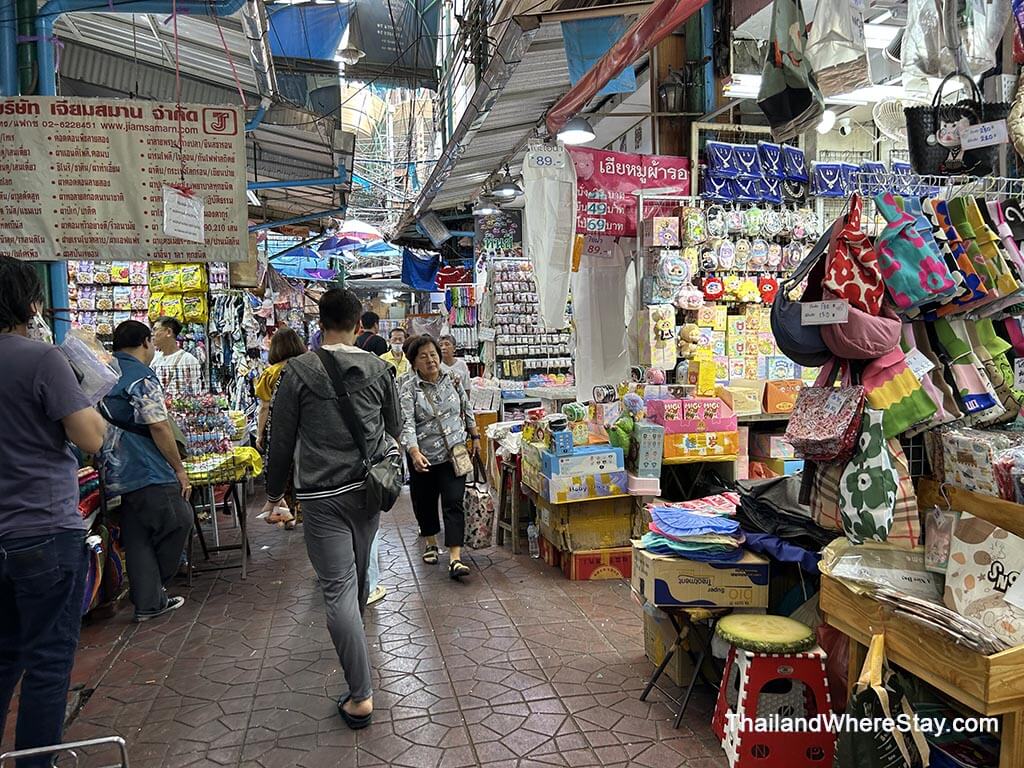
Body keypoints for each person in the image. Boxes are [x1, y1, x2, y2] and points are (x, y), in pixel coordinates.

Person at [265, 288, 401, 729]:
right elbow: (394, 427)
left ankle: (361, 696)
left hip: (321, 498)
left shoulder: (297, 371)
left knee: (339, 589)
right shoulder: (380, 369)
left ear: (319, 323)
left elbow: (280, 441)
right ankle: (358, 667)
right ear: (359, 325)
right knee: (358, 580)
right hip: (368, 491)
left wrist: (274, 495)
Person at [0, 256, 108, 766]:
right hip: (43, 528)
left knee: (3, 656)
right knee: (47, 662)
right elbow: (90, 437)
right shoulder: (40, 359)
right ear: (29, 304)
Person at [100, 321, 193, 623]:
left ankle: (149, 603)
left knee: (138, 535)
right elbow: (158, 425)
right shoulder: (140, 376)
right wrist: (179, 469)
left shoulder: (103, 373)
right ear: (144, 342)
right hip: (146, 467)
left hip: (114, 471)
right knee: (179, 519)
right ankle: (153, 589)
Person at [400, 335, 480, 580]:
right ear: (414, 362)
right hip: (422, 457)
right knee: (424, 502)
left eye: (433, 354)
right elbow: (407, 423)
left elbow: (466, 407)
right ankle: (431, 542)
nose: (430, 360)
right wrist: (414, 452)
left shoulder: (453, 379)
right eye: (423, 356)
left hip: (454, 453)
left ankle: (455, 557)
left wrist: (475, 435)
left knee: (453, 501)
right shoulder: (408, 388)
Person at [255, 327, 307, 528]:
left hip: (279, 430)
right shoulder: (306, 368)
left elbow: (265, 406)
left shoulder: (270, 373)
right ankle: (304, 514)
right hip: (304, 428)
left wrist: (260, 434)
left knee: (281, 472)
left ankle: (287, 517)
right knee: (302, 472)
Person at [151, 316, 203, 396]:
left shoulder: (188, 360)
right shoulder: (154, 359)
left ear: (168, 332)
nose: (152, 334)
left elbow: (196, 392)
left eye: (155, 329)